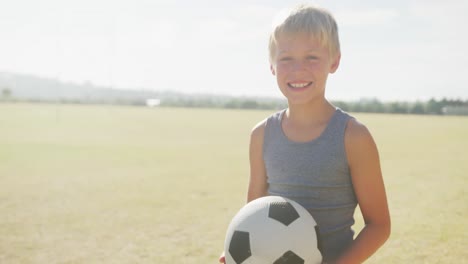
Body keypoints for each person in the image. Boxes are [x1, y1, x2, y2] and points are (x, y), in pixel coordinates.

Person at [219, 4, 390, 264]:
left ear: (334, 61)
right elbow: (253, 217)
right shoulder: (261, 135)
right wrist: (239, 255)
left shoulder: (353, 137)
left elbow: (379, 225)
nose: (298, 69)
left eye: (311, 57)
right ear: (272, 66)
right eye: (286, 58)